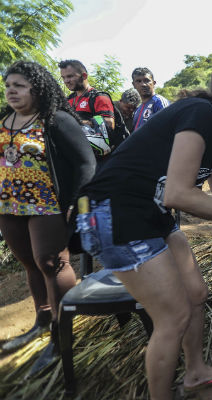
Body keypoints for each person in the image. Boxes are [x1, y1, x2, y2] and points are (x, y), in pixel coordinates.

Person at [77, 61, 212, 400]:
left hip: (150, 213)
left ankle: (194, 373)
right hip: (114, 212)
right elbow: (179, 194)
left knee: (196, 294)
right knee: (174, 316)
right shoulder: (199, 113)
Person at [0, 61, 96, 373]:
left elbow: (85, 163)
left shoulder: (55, 120)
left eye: (19, 85)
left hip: (48, 203)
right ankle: (42, 321)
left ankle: (62, 333)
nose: (11, 90)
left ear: (37, 88)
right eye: (8, 85)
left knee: (52, 263)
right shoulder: (4, 119)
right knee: (29, 263)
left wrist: (75, 201)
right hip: (10, 205)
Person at [131, 67, 170, 131]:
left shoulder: (159, 102)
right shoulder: (137, 109)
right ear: (134, 85)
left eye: (146, 80)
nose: (143, 84)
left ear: (154, 83)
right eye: (138, 81)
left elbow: (168, 128)